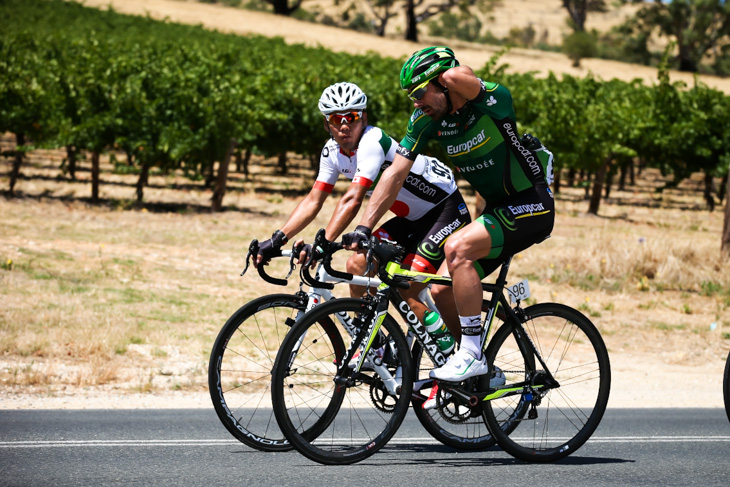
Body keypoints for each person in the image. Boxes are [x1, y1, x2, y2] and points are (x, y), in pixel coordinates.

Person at [343, 46, 555, 384]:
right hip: (499, 209)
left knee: (456, 248)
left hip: (533, 203)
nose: (415, 101)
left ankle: (471, 355)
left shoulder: (491, 101)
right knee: (441, 289)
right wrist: (365, 227)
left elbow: (463, 77)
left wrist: (445, 73)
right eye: (409, 95)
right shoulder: (428, 119)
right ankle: (477, 372)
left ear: (443, 82)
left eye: (419, 91)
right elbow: (395, 174)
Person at [254, 81, 471, 356]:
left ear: (364, 118)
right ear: (326, 124)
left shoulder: (372, 141)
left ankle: (460, 356)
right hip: (411, 219)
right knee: (357, 264)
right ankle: (376, 346)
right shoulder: (331, 152)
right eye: (336, 119)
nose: (344, 126)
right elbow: (313, 200)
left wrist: (324, 243)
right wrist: (277, 238)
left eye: (352, 117)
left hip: (444, 210)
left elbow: (353, 198)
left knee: (408, 287)